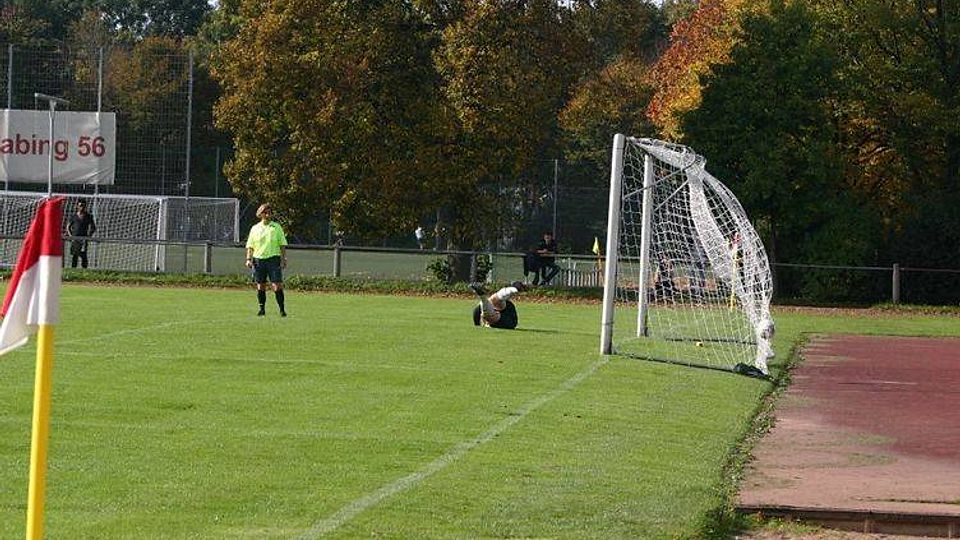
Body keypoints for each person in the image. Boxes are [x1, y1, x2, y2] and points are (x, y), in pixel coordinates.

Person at [245, 203, 289, 317]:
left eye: (269, 212)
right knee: (261, 285)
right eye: (265, 212)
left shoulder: (276, 227)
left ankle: (282, 310)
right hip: (258, 260)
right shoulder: (255, 228)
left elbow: (282, 244)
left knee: (277, 285)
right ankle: (262, 309)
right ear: (260, 214)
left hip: (273, 259)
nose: (268, 215)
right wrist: (248, 259)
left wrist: (284, 258)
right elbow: (250, 245)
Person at [67, 199, 97, 268]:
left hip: (83, 239)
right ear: (77, 206)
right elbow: (68, 227)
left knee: (84, 255)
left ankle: (84, 270)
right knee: (75, 255)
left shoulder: (89, 216)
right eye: (80, 205)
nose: (82, 207)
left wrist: (89, 236)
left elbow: (93, 227)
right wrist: (71, 237)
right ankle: (73, 270)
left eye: (83, 206)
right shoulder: (74, 216)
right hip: (75, 239)